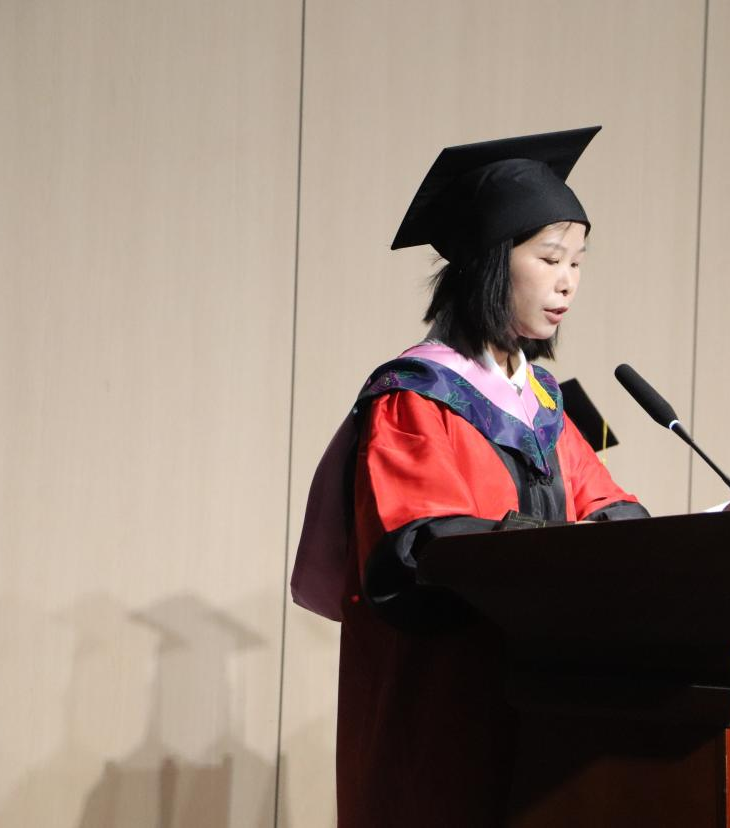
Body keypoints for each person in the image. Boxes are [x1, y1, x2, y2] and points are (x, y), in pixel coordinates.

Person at [289, 126, 649, 827]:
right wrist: (549, 552)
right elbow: (420, 547)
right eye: (550, 258)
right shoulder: (416, 398)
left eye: (578, 261)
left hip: (538, 703)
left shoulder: (542, 404)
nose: (568, 280)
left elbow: (607, 505)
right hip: (443, 710)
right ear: (490, 260)